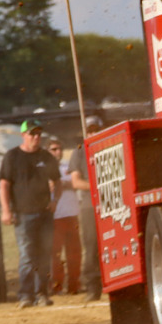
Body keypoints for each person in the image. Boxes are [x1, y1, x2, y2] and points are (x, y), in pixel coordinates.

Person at [0, 119, 61, 308]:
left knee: (44, 254)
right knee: (27, 255)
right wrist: (6, 210)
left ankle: (42, 293)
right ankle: (26, 295)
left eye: (39, 134)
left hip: (44, 214)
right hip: (23, 214)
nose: (36, 137)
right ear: (23, 135)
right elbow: (4, 185)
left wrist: (55, 201)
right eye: (32, 134)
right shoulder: (12, 157)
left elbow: (57, 181)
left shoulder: (46, 157)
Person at [68, 117, 103, 302]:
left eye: (96, 129)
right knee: (91, 246)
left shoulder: (110, 145)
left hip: (112, 202)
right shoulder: (79, 152)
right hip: (90, 205)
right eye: (89, 130)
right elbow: (76, 181)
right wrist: (98, 187)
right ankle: (92, 287)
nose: (93, 133)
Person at [48, 136, 82, 295]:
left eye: (60, 149)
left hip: (71, 213)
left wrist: (62, 184)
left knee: (74, 252)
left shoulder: (68, 166)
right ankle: (57, 285)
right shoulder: (44, 169)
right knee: (55, 254)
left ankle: (74, 284)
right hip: (55, 216)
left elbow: (76, 183)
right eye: (54, 149)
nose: (58, 152)